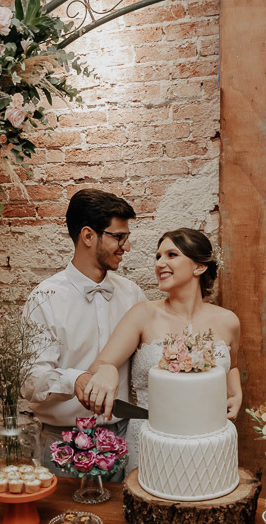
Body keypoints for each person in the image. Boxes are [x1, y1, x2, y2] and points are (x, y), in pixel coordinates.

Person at [83, 228, 243, 472]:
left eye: (171, 255)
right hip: (150, 438)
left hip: (205, 441)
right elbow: (99, 366)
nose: (160, 263)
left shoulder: (228, 321)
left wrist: (235, 391)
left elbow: (231, 365)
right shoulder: (143, 314)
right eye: (158, 257)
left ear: (199, 267)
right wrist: (107, 369)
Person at [22, 189, 147, 480]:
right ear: (88, 236)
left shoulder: (133, 295)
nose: (125, 247)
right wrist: (75, 379)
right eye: (118, 237)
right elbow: (30, 380)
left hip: (123, 440)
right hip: (61, 446)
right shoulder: (45, 298)